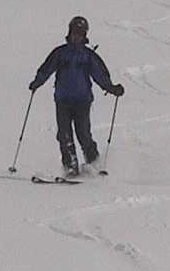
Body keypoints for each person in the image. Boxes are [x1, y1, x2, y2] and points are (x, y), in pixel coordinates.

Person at [29, 16, 125, 176]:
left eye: (80, 34)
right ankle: (71, 167)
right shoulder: (60, 53)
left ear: (84, 35)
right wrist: (37, 83)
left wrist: (112, 88)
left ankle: (94, 162)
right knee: (64, 135)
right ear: (69, 33)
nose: (76, 37)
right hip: (62, 100)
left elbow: (100, 75)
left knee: (83, 134)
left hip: (82, 101)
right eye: (74, 33)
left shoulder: (88, 56)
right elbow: (46, 68)